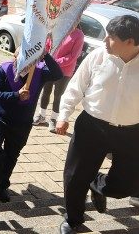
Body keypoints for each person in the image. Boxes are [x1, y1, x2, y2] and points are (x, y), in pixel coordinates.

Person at [55, 15, 139, 234]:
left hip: (131, 131)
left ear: (130, 42)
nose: (105, 41)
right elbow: (76, 86)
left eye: (111, 37)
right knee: (74, 177)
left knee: (126, 184)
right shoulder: (98, 56)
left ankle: (97, 184)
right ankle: (73, 219)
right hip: (91, 126)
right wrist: (64, 115)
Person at [0, 50, 62, 202]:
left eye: (29, 59)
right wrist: (15, 95)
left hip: (22, 123)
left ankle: (3, 185)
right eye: (21, 58)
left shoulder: (39, 72)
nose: (24, 63)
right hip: (0, 118)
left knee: (12, 154)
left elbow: (57, 74)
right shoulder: (4, 69)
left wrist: (45, 55)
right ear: (15, 57)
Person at [33, 27, 85, 133]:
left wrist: (54, 62)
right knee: (46, 91)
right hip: (49, 67)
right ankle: (41, 115)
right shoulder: (57, 29)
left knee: (58, 95)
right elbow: (47, 46)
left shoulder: (79, 35)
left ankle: (54, 118)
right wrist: (46, 58)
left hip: (65, 71)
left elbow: (74, 55)